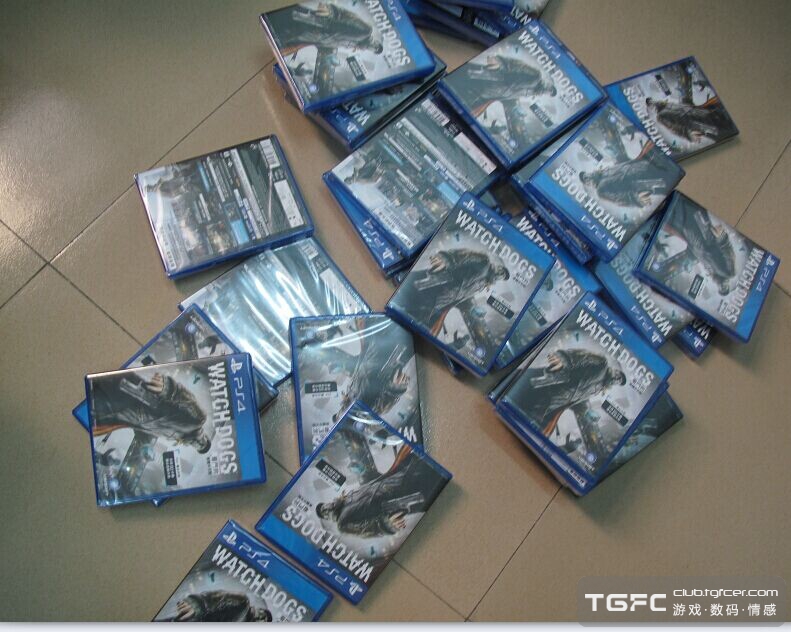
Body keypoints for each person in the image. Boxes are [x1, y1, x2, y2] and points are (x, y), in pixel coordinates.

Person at [315, 445, 443, 538]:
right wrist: (388, 524)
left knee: (430, 465)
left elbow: (373, 483)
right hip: (400, 498)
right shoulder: (342, 524)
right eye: (324, 511)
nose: (327, 507)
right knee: (435, 481)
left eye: (324, 505)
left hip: (398, 479)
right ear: (327, 517)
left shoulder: (348, 496)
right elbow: (367, 528)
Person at [510, 349, 626, 437]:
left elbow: (577, 398)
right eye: (619, 376)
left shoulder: (598, 389)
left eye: (619, 381)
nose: (617, 379)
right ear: (615, 370)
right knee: (512, 394)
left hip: (549, 405)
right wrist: (564, 358)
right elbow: (579, 356)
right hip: (546, 385)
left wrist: (585, 411)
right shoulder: (602, 364)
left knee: (519, 425)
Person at [91, 372, 211, 454]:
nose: (198, 444)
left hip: (122, 414)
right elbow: (188, 400)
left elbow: (150, 425)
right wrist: (168, 388)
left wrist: (142, 440)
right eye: (202, 444)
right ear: (205, 437)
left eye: (198, 448)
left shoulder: (177, 437)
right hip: (133, 394)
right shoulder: (198, 420)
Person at [164, 591, 272, 622]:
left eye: (264, 621)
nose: (261, 618)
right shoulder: (243, 602)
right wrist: (197, 604)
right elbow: (217, 596)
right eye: (263, 615)